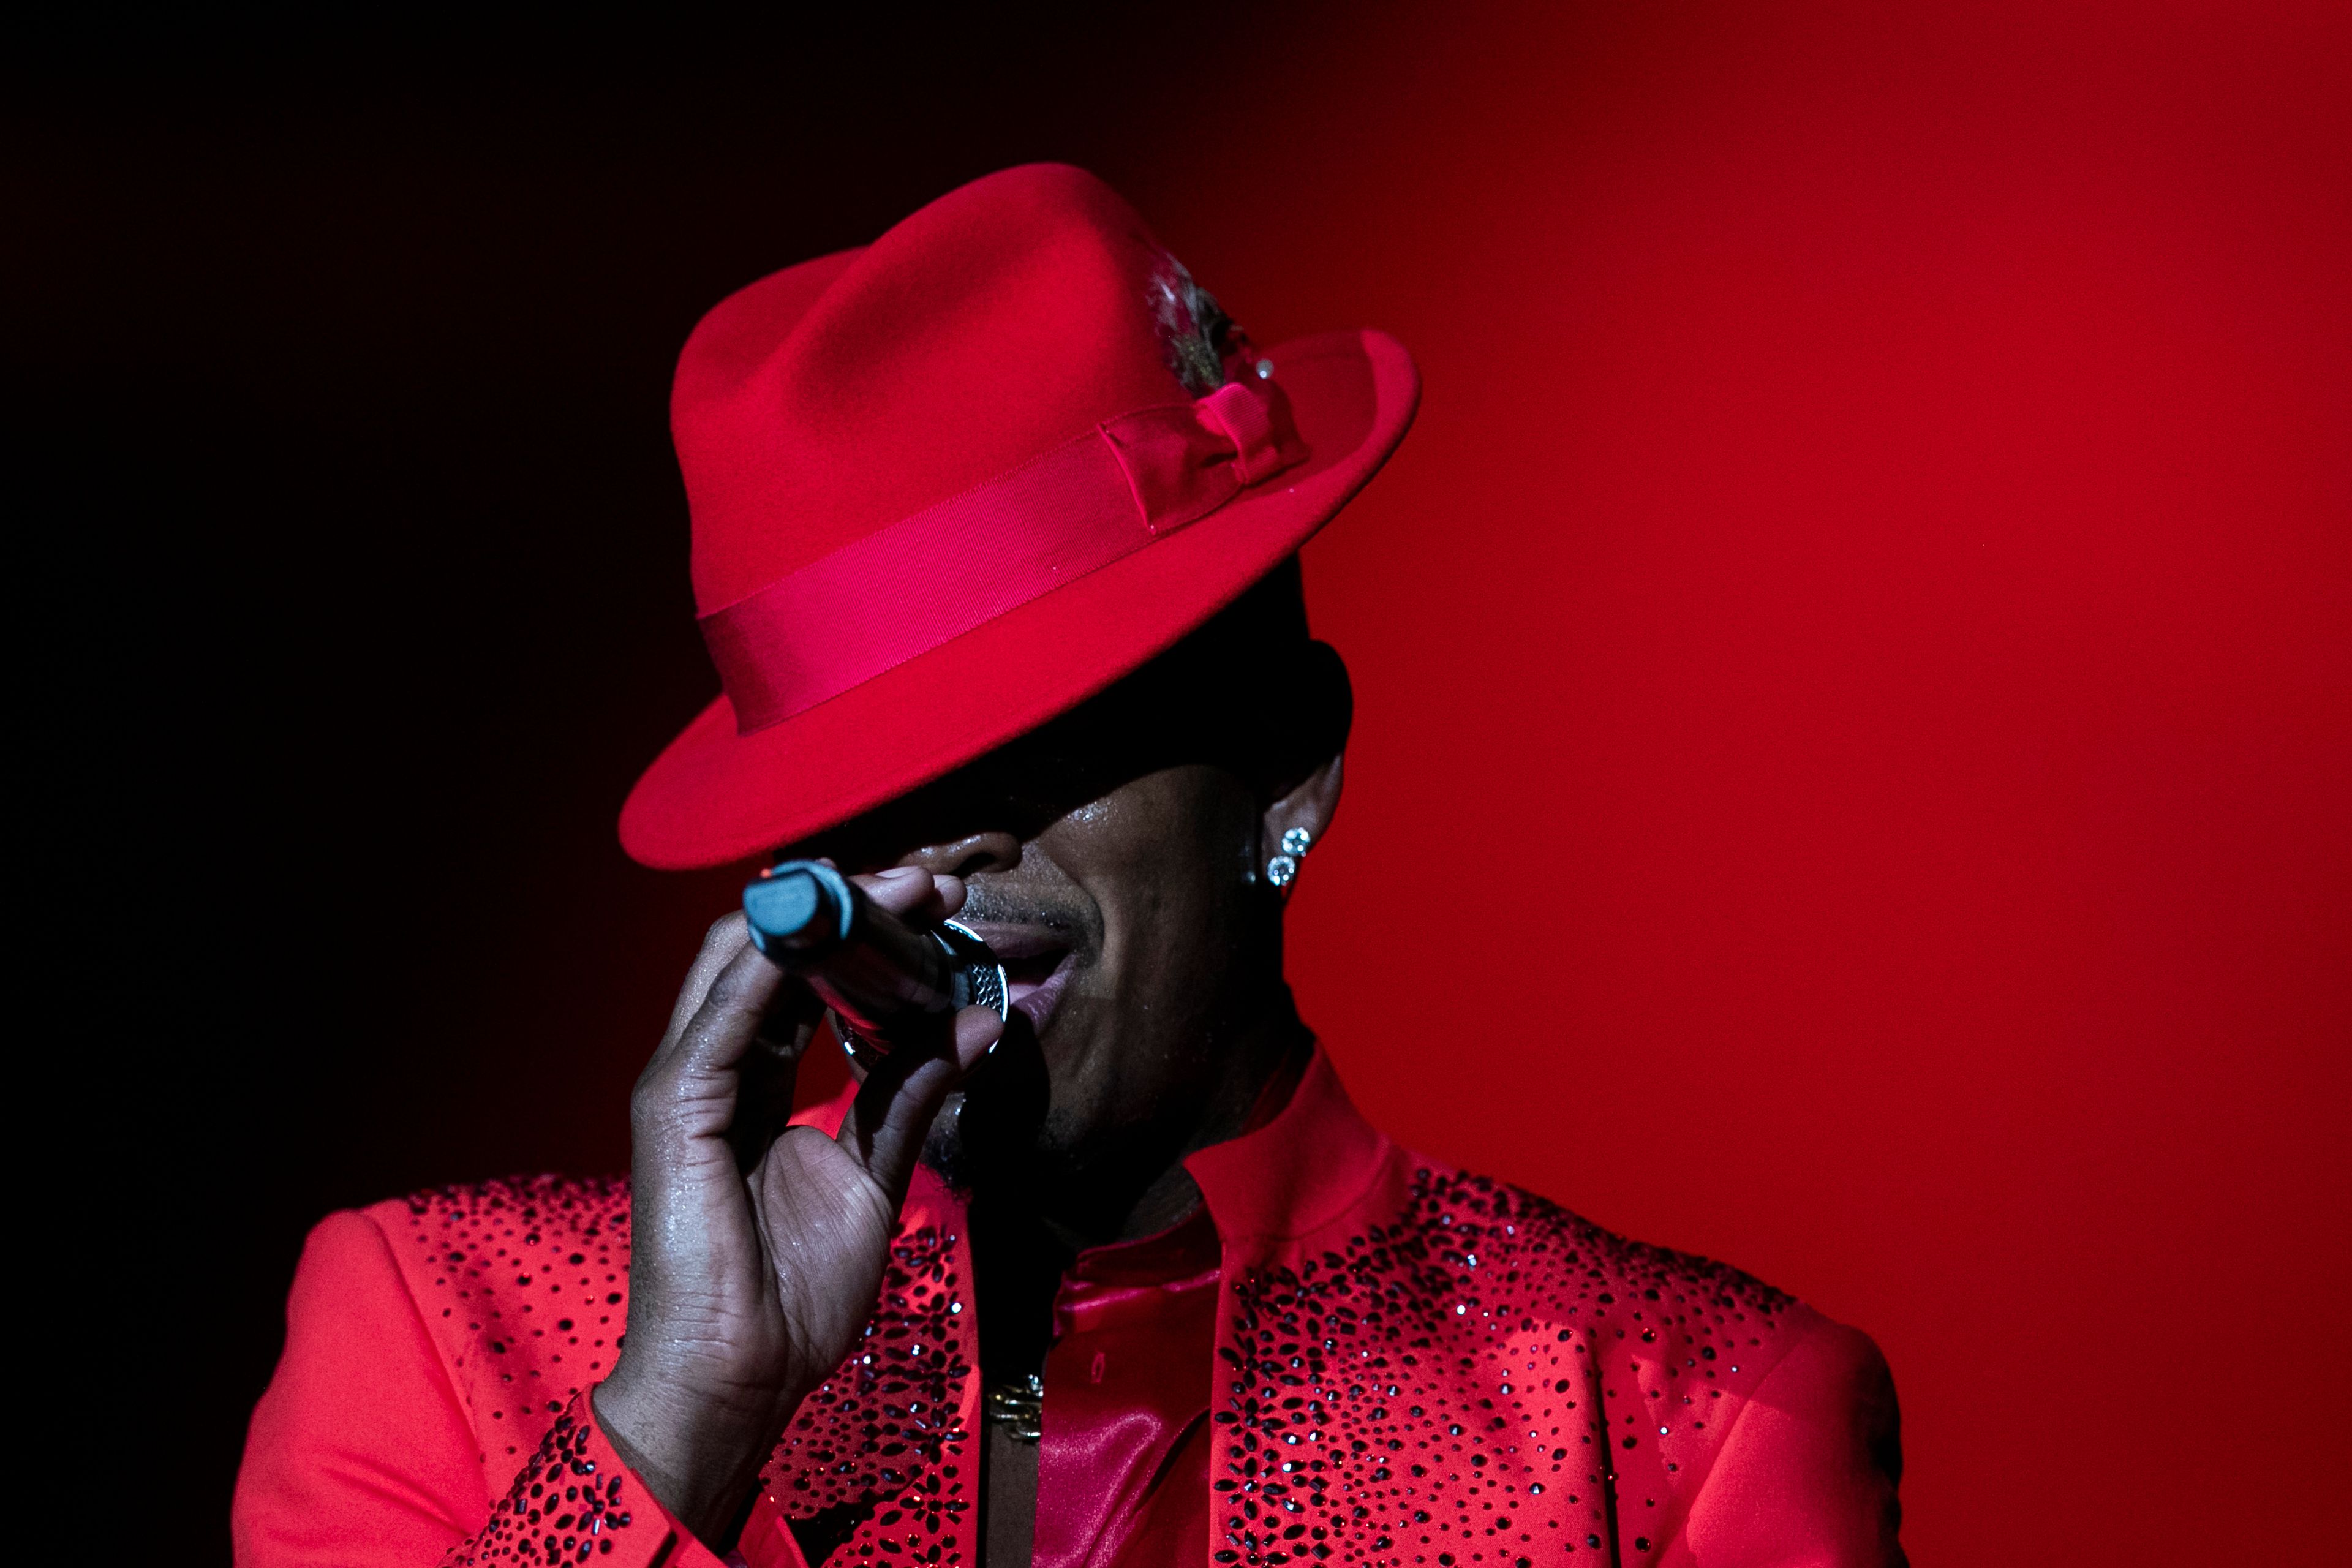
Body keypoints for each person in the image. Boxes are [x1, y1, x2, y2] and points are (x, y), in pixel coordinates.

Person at [234, 164, 1906, 1568]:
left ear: (1283, 776)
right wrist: (682, 1423)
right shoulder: (453, 1339)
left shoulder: (1684, 1417)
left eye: (1037, 737)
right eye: (854, 779)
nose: (935, 850)